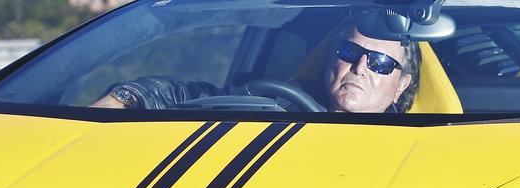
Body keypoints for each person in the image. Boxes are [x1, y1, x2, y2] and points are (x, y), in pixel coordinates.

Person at [92, 15, 421, 113]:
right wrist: (127, 96)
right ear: (332, 57)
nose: (360, 67)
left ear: (402, 83)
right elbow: (197, 97)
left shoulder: (416, 145)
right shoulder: (280, 100)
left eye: (379, 62)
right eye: (349, 52)